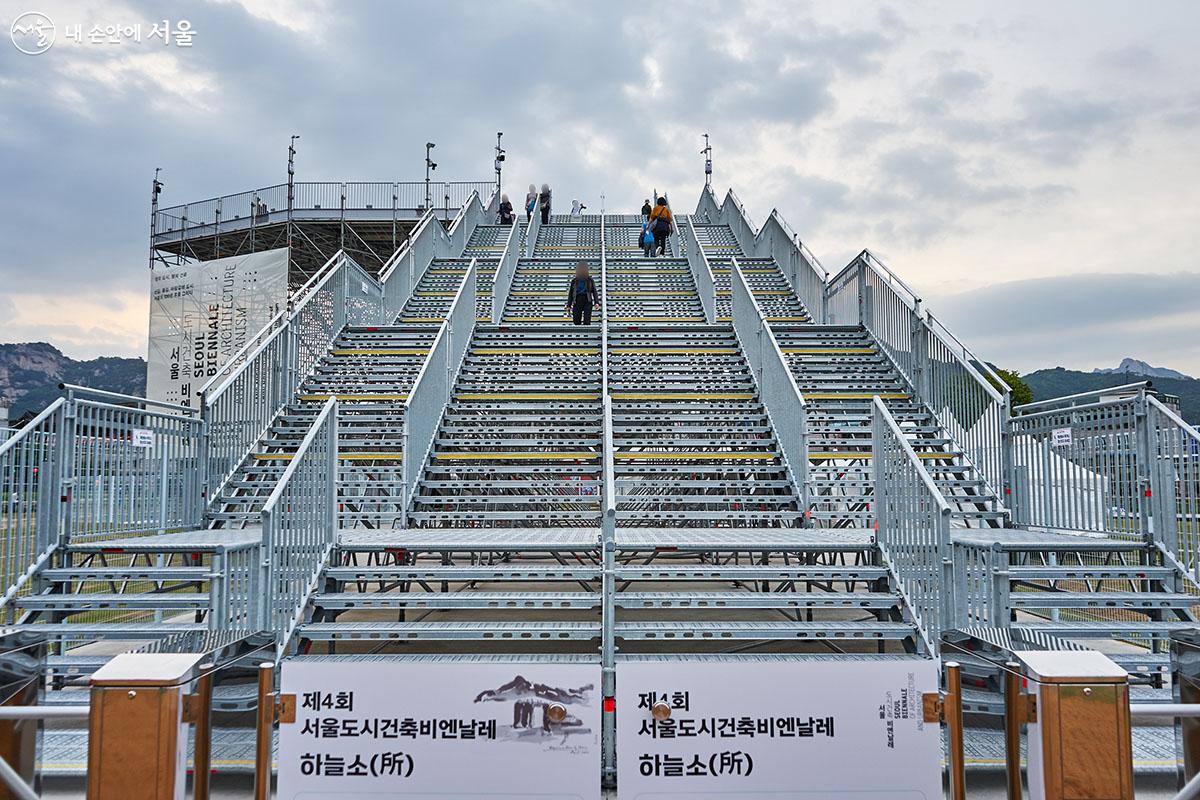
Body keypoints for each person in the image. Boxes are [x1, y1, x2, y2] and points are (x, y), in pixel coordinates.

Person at [564, 261, 599, 325]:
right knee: (576, 321)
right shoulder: (574, 281)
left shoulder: (590, 280)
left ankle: (586, 334)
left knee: (587, 321)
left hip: (587, 300)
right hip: (577, 300)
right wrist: (568, 305)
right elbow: (571, 293)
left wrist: (596, 302)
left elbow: (594, 291)